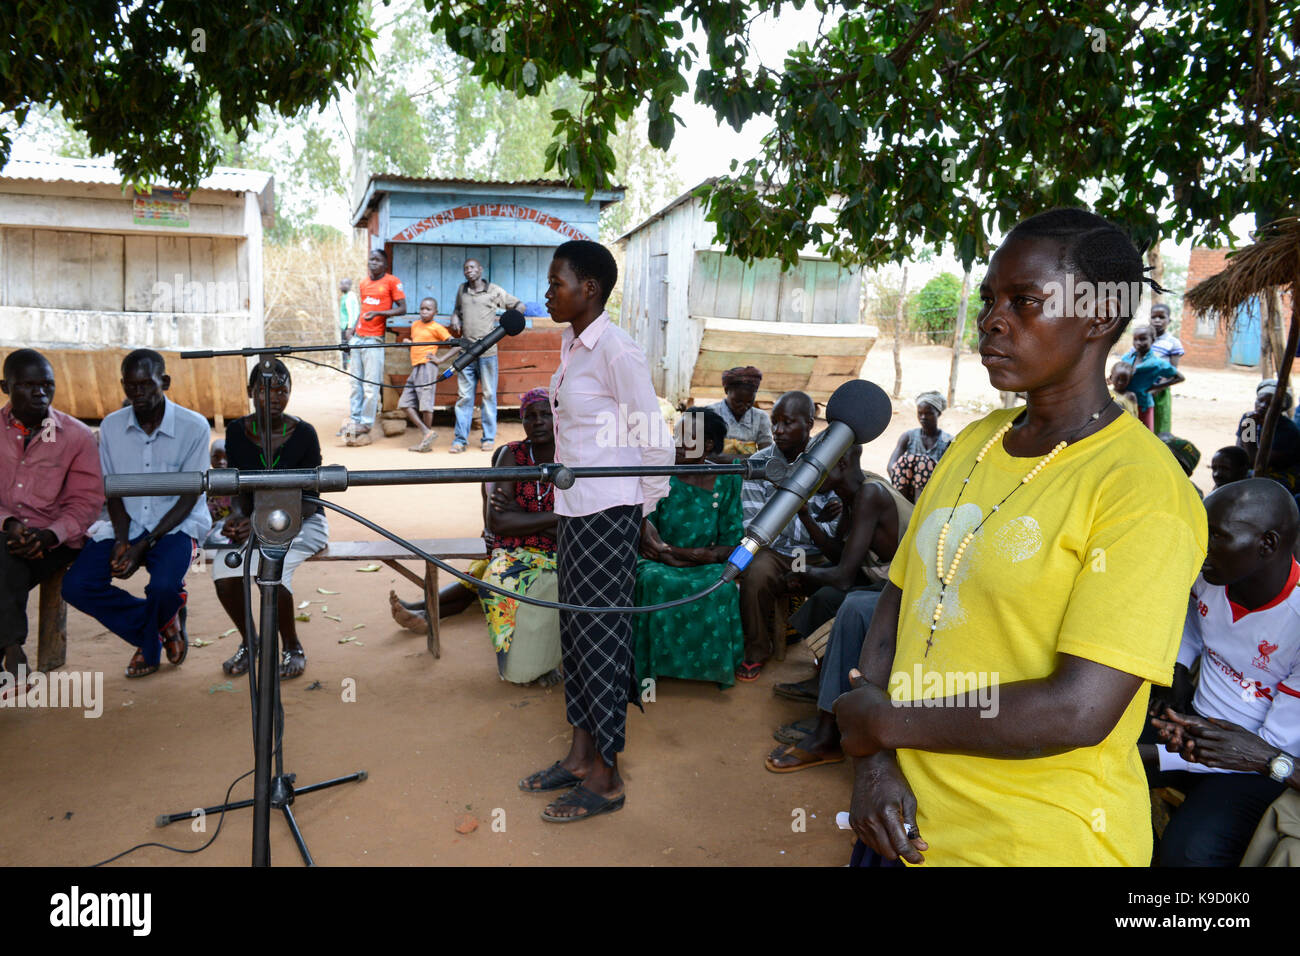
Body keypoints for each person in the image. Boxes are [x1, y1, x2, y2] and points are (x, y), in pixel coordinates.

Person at [833, 208, 1207, 866]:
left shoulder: (1140, 491)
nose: (991, 321)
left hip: (1031, 842)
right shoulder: (973, 446)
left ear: (1099, 318)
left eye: (1024, 301)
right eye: (989, 300)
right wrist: (874, 762)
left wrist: (880, 724)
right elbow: (899, 602)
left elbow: (1076, 709)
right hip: (899, 818)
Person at [517, 240, 674, 823]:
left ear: (590, 289)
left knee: (604, 641)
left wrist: (644, 511)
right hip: (574, 510)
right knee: (577, 635)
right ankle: (581, 756)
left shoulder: (617, 352)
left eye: (557, 282)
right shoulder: (572, 346)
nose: (549, 291)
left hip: (610, 515)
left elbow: (653, 440)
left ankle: (607, 776)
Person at [1143, 478, 1299, 866]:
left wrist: (1153, 755)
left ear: (1267, 545)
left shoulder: (1296, 622)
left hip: (1254, 766)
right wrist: (1178, 670)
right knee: (1085, 753)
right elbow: (1194, 626)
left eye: (1216, 536)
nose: (1201, 546)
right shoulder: (1212, 577)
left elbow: (1261, 750)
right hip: (1190, 723)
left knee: (1188, 855)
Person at [62, 350, 212, 678]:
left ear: (166, 382)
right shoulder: (112, 427)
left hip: (177, 525)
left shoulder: (194, 427)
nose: (138, 393)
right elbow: (113, 490)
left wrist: (143, 546)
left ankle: (149, 640)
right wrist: (120, 540)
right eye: (131, 386)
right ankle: (162, 625)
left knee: (163, 587)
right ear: (123, 386)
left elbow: (189, 496)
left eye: (146, 384)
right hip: (127, 524)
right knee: (76, 585)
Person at [766, 446, 912, 772]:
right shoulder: (852, 495)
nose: (807, 475)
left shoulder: (870, 494)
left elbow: (845, 577)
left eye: (815, 467)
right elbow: (838, 557)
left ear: (842, 461)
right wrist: (805, 516)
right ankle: (823, 683)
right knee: (825, 598)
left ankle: (827, 734)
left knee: (851, 605)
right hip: (887, 585)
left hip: (915, 593)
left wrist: (802, 573)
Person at [211, 360, 327, 680]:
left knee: (271, 572)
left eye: (282, 390)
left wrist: (260, 518)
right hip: (254, 521)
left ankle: (292, 646)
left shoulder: (304, 434)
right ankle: (252, 644)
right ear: (250, 393)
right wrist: (237, 515)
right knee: (224, 570)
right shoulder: (236, 431)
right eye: (265, 390)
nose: (275, 397)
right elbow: (237, 486)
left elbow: (311, 498)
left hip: (303, 522)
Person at [0, 349, 103, 684]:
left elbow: (86, 502)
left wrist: (48, 534)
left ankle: (12, 646)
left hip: (56, 540)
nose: (40, 393)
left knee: (5, 558)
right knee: (6, 556)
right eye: (28, 385)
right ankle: (11, 644)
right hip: (5, 535)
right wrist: (9, 524)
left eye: (47, 385)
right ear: (6, 387)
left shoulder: (75, 435)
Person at [634, 407, 745, 688]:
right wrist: (673, 555)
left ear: (707, 445)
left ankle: (711, 668)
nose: (676, 444)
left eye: (685, 438)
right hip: (659, 561)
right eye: (676, 436)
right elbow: (649, 536)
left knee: (722, 584)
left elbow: (732, 541)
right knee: (652, 579)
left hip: (705, 562)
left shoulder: (728, 479)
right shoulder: (661, 475)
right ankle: (653, 666)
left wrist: (690, 556)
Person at [735, 390, 840, 682]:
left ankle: (828, 658)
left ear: (809, 423)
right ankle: (757, 648)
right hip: (777, 553)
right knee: (754, 572)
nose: (778, 431)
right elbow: (754, 527)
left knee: (843, 582)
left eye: (788, 423)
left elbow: (835, 529)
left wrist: (797, 518)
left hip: (817, 551)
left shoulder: (830, 463)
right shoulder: (759, 465)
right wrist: (809, 518)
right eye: (775, 422)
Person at [448, 258, 524, 455]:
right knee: (464, 397)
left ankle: (488, 438)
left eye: (472, 267)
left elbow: (518, 306)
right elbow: (457, 309)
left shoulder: (494, 290)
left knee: (489, 395)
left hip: (488, 353)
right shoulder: (462, 290)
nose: (469, 271)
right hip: (467, 352)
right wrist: (455, 316)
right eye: (466, 268)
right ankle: (460, 440)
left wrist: (508, 324)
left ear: (480, 270)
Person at [342, 250, 406, 440]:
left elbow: (402, 308)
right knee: (355, 382)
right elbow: (363, 309)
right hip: (358, 337)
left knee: (370, 385)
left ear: (385, 265)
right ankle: (354, 419)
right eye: (371, 260)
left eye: (378, 260)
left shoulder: (392, 281)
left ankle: (366, 423)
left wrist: (379, 314)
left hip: (374, 339)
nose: (373, 263)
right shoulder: (363, 283)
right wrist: (352, 328)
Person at [399, 296, 455, 453]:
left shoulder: (437, 327)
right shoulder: (415, 325)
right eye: (422, 308)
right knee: (404, 403)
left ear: (435, 312)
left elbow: (456, 345)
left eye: (428, 309)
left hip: (428, 367)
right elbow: (418, 344)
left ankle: (426, 441)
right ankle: (427, 432)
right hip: (416, 367)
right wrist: (409, 344)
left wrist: (440, 359)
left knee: (426, 404)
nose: (424, 311)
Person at [887, 391, 954, 503]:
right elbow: (891, 466)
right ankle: (901, 504)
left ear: (938, 413)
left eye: (928, 413)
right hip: (906, 490)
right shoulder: (908, 437)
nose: (923, 417)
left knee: (923, 462)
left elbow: (949, 473)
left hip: (933, 490)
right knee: (906, 460)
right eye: (920, 413)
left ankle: (918, 507)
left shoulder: (947, 441)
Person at [1122, 323, 1184, 432]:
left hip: (1144, 406)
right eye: (1135, 339)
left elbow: (1179, 377)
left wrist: (1156, 387)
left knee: (1144, 435)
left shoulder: (1157, 363)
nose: (1138, 343)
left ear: (1153, 340)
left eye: (1143, 339)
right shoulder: (1127, 358)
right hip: (1126, 403)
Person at [704, 365, 773, 462]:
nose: (744, 406)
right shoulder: (710, 414)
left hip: (749, 474)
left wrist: (724, 458)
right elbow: (700, 454)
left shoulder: (761, 417)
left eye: (749, 402)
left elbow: (767, 454)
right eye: (737, 401)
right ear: (726, 391)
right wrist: (750, 457)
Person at [1149, 303, 1183, 434]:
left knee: (1159, 428)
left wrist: (1156, 389)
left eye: (1162, 317)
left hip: (1160, 391)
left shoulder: (1173, 343)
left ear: (1169, 320)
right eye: (1154, 317)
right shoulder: (1143, 338)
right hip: (1140, 389)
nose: (1157, 320)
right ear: (1149, 319)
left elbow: (1172, 372)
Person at [207, 440, 233, 523]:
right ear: (209, 458)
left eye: (226, 457)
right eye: (216, 457)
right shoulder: (206, 480)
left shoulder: (235, 482)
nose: (221, 462)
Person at [338, 277, 359, 372]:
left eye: (345, 283)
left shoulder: (350, 296)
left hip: (349, 326)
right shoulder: (344, 296)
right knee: (345, 347)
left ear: (349, 285)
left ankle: (349, 367)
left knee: (348, 347)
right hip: (344, 325)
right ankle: (345, 366)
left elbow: (352, 312)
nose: (342, 286)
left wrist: (350, 327)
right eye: (341, 283)